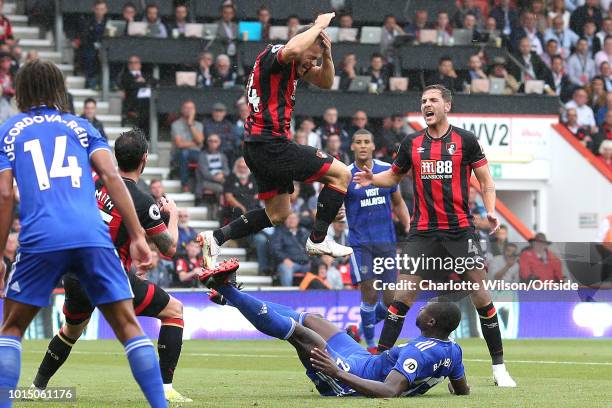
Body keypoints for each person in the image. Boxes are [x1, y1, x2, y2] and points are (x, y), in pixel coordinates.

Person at [0, 60, 166, 407]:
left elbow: (3, 194)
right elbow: (111, 176)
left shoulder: (10, 130)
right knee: (128, 327)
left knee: (12, 329)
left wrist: (0, 254)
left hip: (40, 236)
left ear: (22, 91)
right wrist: (137, 235)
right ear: (59, 90)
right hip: (91, 235)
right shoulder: (82, 127)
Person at [353, 84, 516, 387]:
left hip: (459, 230)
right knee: (403, 296)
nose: (426, 105)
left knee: (482, 295)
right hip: (423, 232)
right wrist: (373, 178)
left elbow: (486, 181)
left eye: (433, 100)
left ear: (447, 106)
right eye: (423, 101)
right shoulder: (411, 143)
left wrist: (491, 210)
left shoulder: (466, 141)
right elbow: (394, 175)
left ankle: (499, 368)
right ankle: (379, 363)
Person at [31, 129, 191, 403]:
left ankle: (36, 388)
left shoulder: (93, 181)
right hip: (107, 276)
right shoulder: (141, 201)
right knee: (174, 311)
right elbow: (170, 248)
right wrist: (172, 215)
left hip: (74, 271)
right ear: (145, 158)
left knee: (71, 331)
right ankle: (165, 389)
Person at [199, 12, 353, 268]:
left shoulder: (294, 63)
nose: (311, 64)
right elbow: (294, 48)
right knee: (340, 175)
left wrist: (326, 54)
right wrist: (319, 25)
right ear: (303, 41)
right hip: (271, 144)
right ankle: (318, 238)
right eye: (311, 57)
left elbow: (326, 82)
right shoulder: (277, 55)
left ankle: (216, 238)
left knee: (279, 214)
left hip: (259, 146)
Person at [201, 266, 470, 398]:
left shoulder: (417, 352)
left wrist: (337, 372)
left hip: (349, 378)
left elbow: (390, 392)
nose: (420, 309)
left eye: (426, 310)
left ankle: (226, 289)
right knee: (314, 319)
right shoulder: (454, 350)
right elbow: (462, 390)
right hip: (364, 360)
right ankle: (234, 297)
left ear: (431, 323)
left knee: (303, 335)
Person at [344, 129, 410, 353]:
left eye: (366, 142)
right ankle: (371, 346)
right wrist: (334, 215)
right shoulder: (345, 175)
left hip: (386, 243)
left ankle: (360, 332)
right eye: (358, 142)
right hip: (360, 244)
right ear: (352, 146)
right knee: (370, 293)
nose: (362, 145)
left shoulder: (386, 171)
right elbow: (332, 204)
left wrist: (409, 227)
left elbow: (399, 202)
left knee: (391, 299)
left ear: (373, 146)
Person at [171, 99, 204, 192]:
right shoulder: (176, 124)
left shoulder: (199, 125)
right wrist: (195, 143)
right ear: (182, 110)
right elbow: (179, 144)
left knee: (203, 157)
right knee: (184, 153)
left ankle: (199, 189)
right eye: (187, 108)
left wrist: (190, 124)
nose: (189, 110)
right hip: (179, 153)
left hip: (196, 153)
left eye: (191, 108)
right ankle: (184, 185)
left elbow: (200, 140)